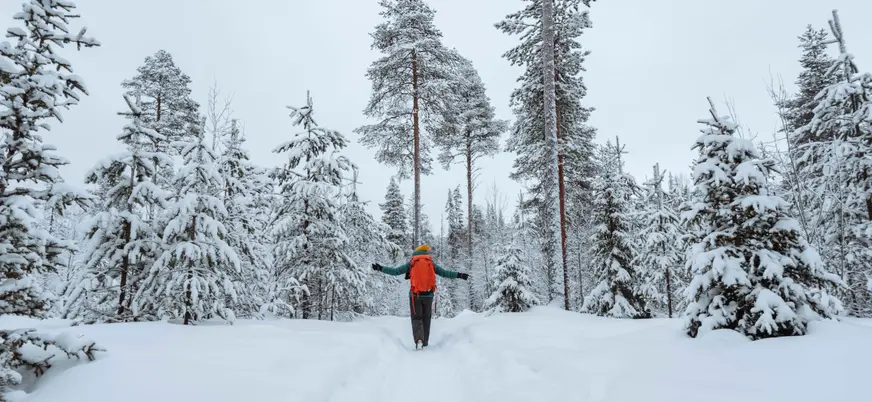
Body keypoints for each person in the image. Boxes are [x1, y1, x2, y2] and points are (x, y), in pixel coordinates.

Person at [372, 244, 469, 350]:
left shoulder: (412, 262)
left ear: (416, 252)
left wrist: (380, 268)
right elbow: (445, 273)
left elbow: (395, 271)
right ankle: (425, 342)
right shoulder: (430, 263)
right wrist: (460, 275)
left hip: (415, 295)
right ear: (426, 253)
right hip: (428, 295)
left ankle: (419, 340)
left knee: (416, 318)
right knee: (426, 318)